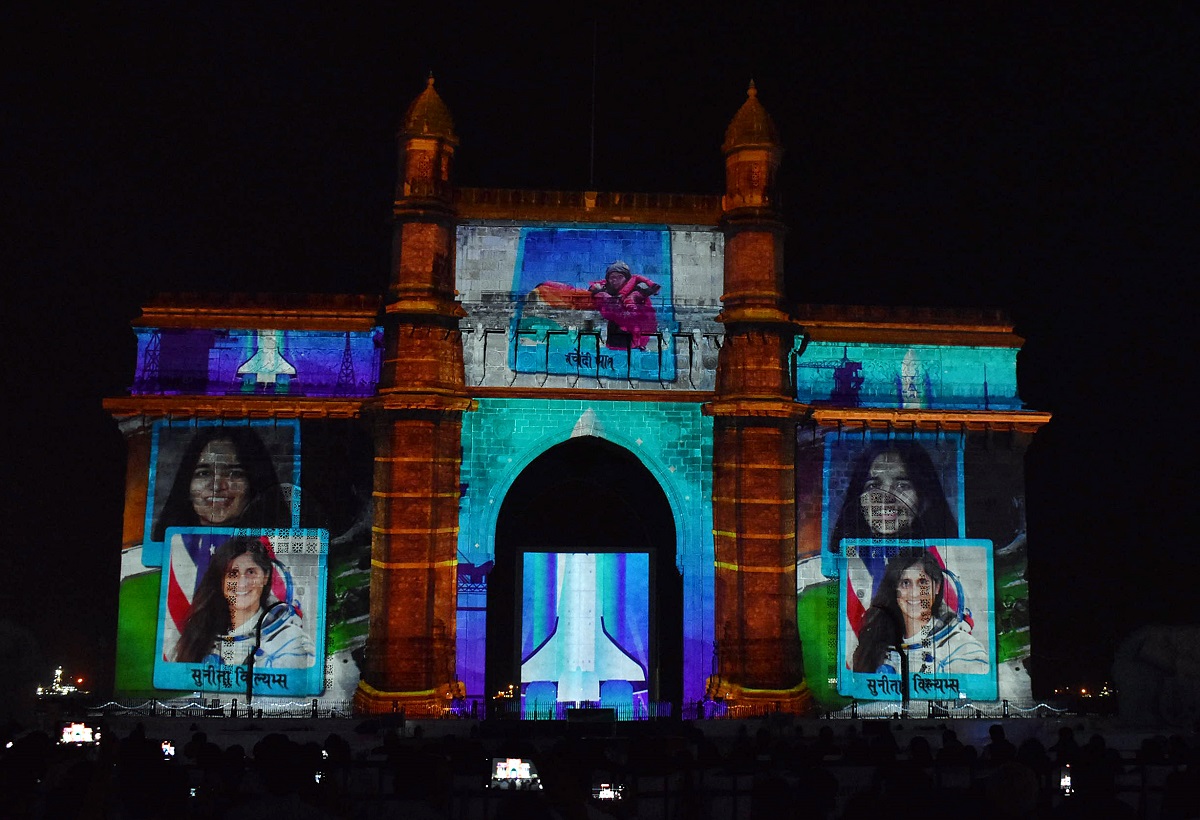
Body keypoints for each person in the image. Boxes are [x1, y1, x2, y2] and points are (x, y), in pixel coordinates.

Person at [173, 536, 313, 668]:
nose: (241, 583)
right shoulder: (200, 637)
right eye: (232, 574)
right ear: (221, 581)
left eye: (251, 572)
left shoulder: (290, 641)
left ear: (265, 576)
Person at [851, 549, 987, 676]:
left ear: (937, 587)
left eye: (922, 582)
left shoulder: (963, 649)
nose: (914, 593)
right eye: (905, 583)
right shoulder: (877, 647)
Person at [152, 426, 292, 541]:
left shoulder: (279, 547)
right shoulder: (166, 544)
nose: (217, 486)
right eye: (204, 473)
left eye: (235, 473)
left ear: (254, 484)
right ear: (187, 483)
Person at [830, 440, 958, 549]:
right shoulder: (845, 557)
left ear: (924, 496)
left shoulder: (947, 557)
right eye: (873, 486)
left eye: (902, 486)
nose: (886, 499)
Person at [530, 260, 662, 351]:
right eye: (612, 277)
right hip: (615, 341)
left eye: (619, 277)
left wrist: (608, 302)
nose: (614, 280)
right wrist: (548, 286)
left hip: (633, 341)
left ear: (626, 278)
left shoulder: (636, 294)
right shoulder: (604, 289)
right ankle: (545, 290)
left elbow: (635, 319)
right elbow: (576, 294)